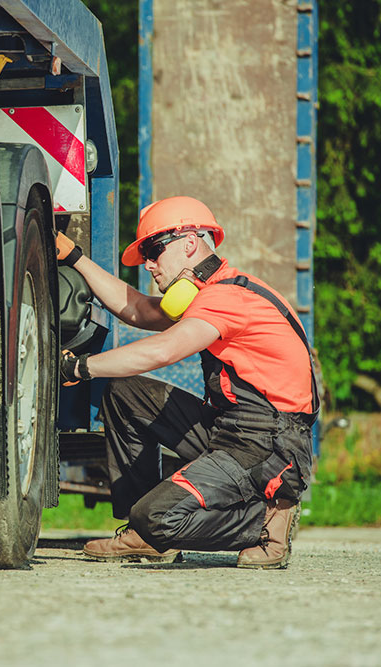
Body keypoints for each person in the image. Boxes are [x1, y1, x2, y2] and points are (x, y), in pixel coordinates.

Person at [57, 195, 319, 569]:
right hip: (231, 427)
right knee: (125, 394)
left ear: (190, 243)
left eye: (154, 250)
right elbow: (137, 309)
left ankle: (267, 521)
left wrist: (79, 368)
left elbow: (163, 350)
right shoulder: (211, 294)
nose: (148, 263)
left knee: (156, 516)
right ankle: (147, 536)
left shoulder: (225, 297)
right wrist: (75, 258)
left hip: (266, 445)